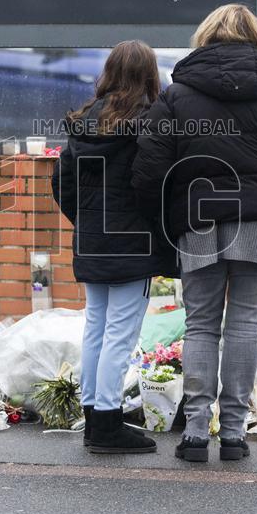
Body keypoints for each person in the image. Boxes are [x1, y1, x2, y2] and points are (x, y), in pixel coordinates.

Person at [131, 4, 257, 462]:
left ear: (205, 36)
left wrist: (168, 214)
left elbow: (149, 167)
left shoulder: (179, 96)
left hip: (198, 221)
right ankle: (234, 434)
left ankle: (196, 433)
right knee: (245, 325)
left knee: (200, 324)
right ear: (255, 38)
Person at [52, 40, 178, 454]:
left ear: (109, 73)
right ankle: (106, 424)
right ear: (148, 75)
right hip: (132, 245)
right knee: (120, 335)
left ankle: (94, 416)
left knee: (96, 329)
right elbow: (151, 185)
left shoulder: (83, 121)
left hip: (92, 241)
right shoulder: (147, 124)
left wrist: (88, 224)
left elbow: (62, 185)